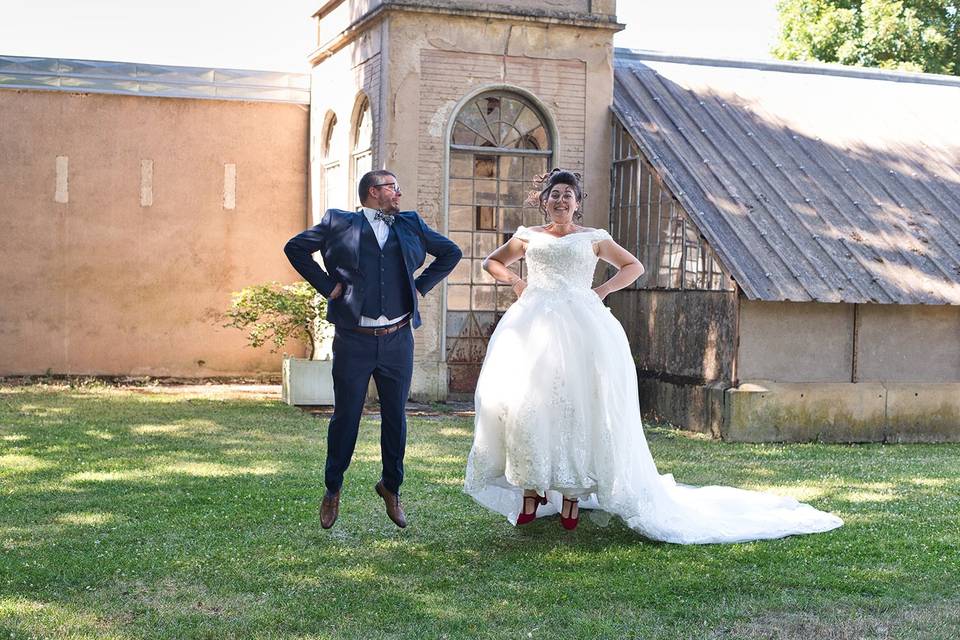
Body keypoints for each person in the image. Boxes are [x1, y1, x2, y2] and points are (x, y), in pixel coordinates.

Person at [464, 169, 842, 543]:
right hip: (533, 324)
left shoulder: (595, 238)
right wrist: (516, 281)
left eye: (568, 194)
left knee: (578, 402)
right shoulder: (528, 237)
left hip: (583, 325)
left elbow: (634, 266)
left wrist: (603, 290)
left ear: (577, 203)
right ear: (543, 200)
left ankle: (573, 495)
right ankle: (532, 487)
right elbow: (491, 262)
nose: (561, 200)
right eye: (554, 194)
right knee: (530, 402)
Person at [285, 169, 462, 530]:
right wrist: (326, 285)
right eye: (393, 188)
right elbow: (296, 248)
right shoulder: (339, 222)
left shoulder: (410, 223)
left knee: (396, 417)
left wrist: (420, 287)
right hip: (354, 339)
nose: (399, 194)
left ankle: (391, 487)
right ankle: (333, 487)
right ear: (373, 192)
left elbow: (450, 253)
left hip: (397, 339)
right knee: (346, 417)